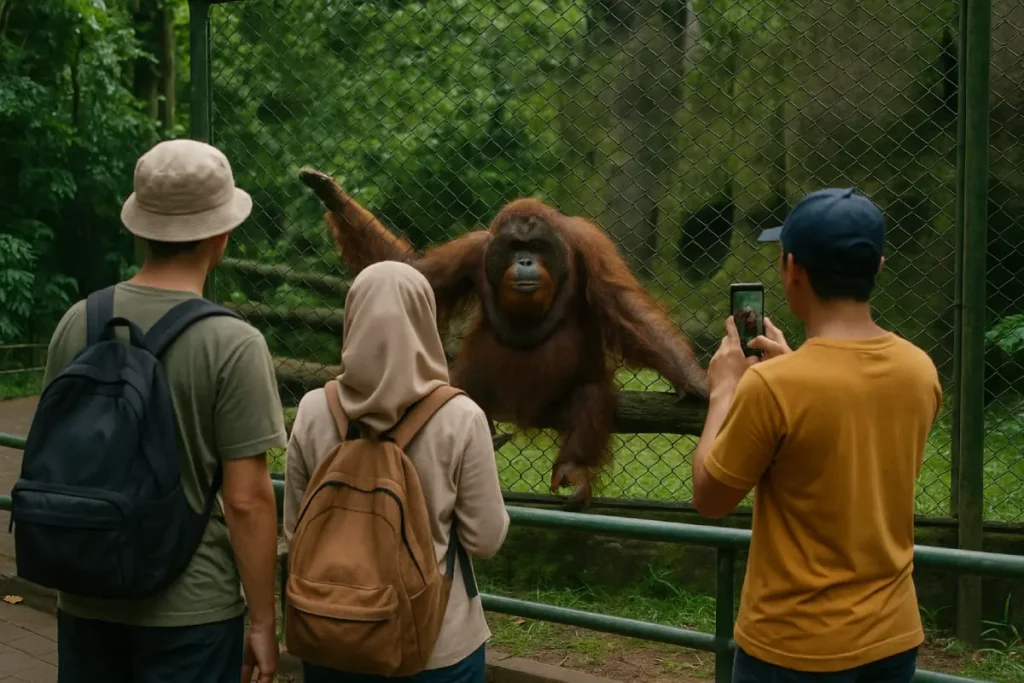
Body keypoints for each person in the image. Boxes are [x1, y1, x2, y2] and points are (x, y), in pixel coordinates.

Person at [45, 139, 285, 683]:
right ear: (221, 235)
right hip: (191, 611)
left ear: (140, 227)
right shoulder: (233, 342)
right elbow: (246, 500)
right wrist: (264, 623)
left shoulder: (76, 322)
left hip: (86, 591)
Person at [689, 188, 943, 681]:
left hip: (792, 647)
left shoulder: (771, 386)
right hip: (891, 638)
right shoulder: (919, 369)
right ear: (880, 266)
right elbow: (845, 414)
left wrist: (724, 391)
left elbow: (710, 497)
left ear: (791, 268)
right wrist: (795, 367)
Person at [283, 260, 510, 683]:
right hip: (436, 646)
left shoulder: (314, 410)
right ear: (426, 321)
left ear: (353, 319)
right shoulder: (460, 417)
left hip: (331, 633)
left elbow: (295, 531)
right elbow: (484, 539)